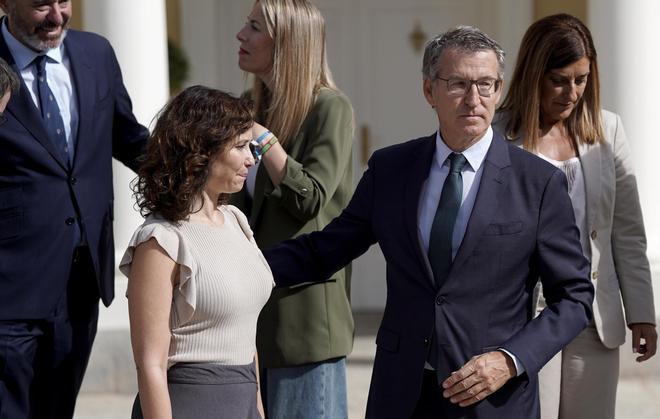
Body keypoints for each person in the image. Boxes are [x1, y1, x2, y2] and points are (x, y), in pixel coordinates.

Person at [263, 26, 595, 418]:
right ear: (429, 91)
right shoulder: (391, 169)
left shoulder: (539, 183)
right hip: (403, 393)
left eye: (485, 84)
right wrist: (230, 264)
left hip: (492, 399)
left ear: (500, 89)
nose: (473, 99)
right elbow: (323, 250)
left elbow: (574, 297)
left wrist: (509, 360)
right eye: (457, 83)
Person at [495, 13, 657, 419]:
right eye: (559, 80)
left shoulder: (609, 130)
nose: (572, 92)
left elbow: (627, 232)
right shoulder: (498, 134)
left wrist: (641, 313)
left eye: (581, 79)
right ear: (534, 74)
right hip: (527, 318)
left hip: (593, 316)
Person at [0, 1, 149, 418]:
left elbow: (129, 138)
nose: (57, 16)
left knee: (57, 409)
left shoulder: (95, 53)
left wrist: (193, 176)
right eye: (41, 4)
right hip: (8, 286)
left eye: (64, 1)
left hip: (80, 281)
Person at [119, 86, 274, 419]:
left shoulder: (236, 221)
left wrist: (258, 407)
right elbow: (150, 363)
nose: (251, 158)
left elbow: (246, 331)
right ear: (201, 151)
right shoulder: (160, 240)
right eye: (240, 146)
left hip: (243, 399)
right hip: (189, 405)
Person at [234, 1, 355, 417]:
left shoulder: (329, 109)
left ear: (286, 43)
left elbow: (311, 197)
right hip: (247, 319)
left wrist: (265, 142)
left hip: (303, 321)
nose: (240, 35)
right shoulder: (246, 109)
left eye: (253, 27)